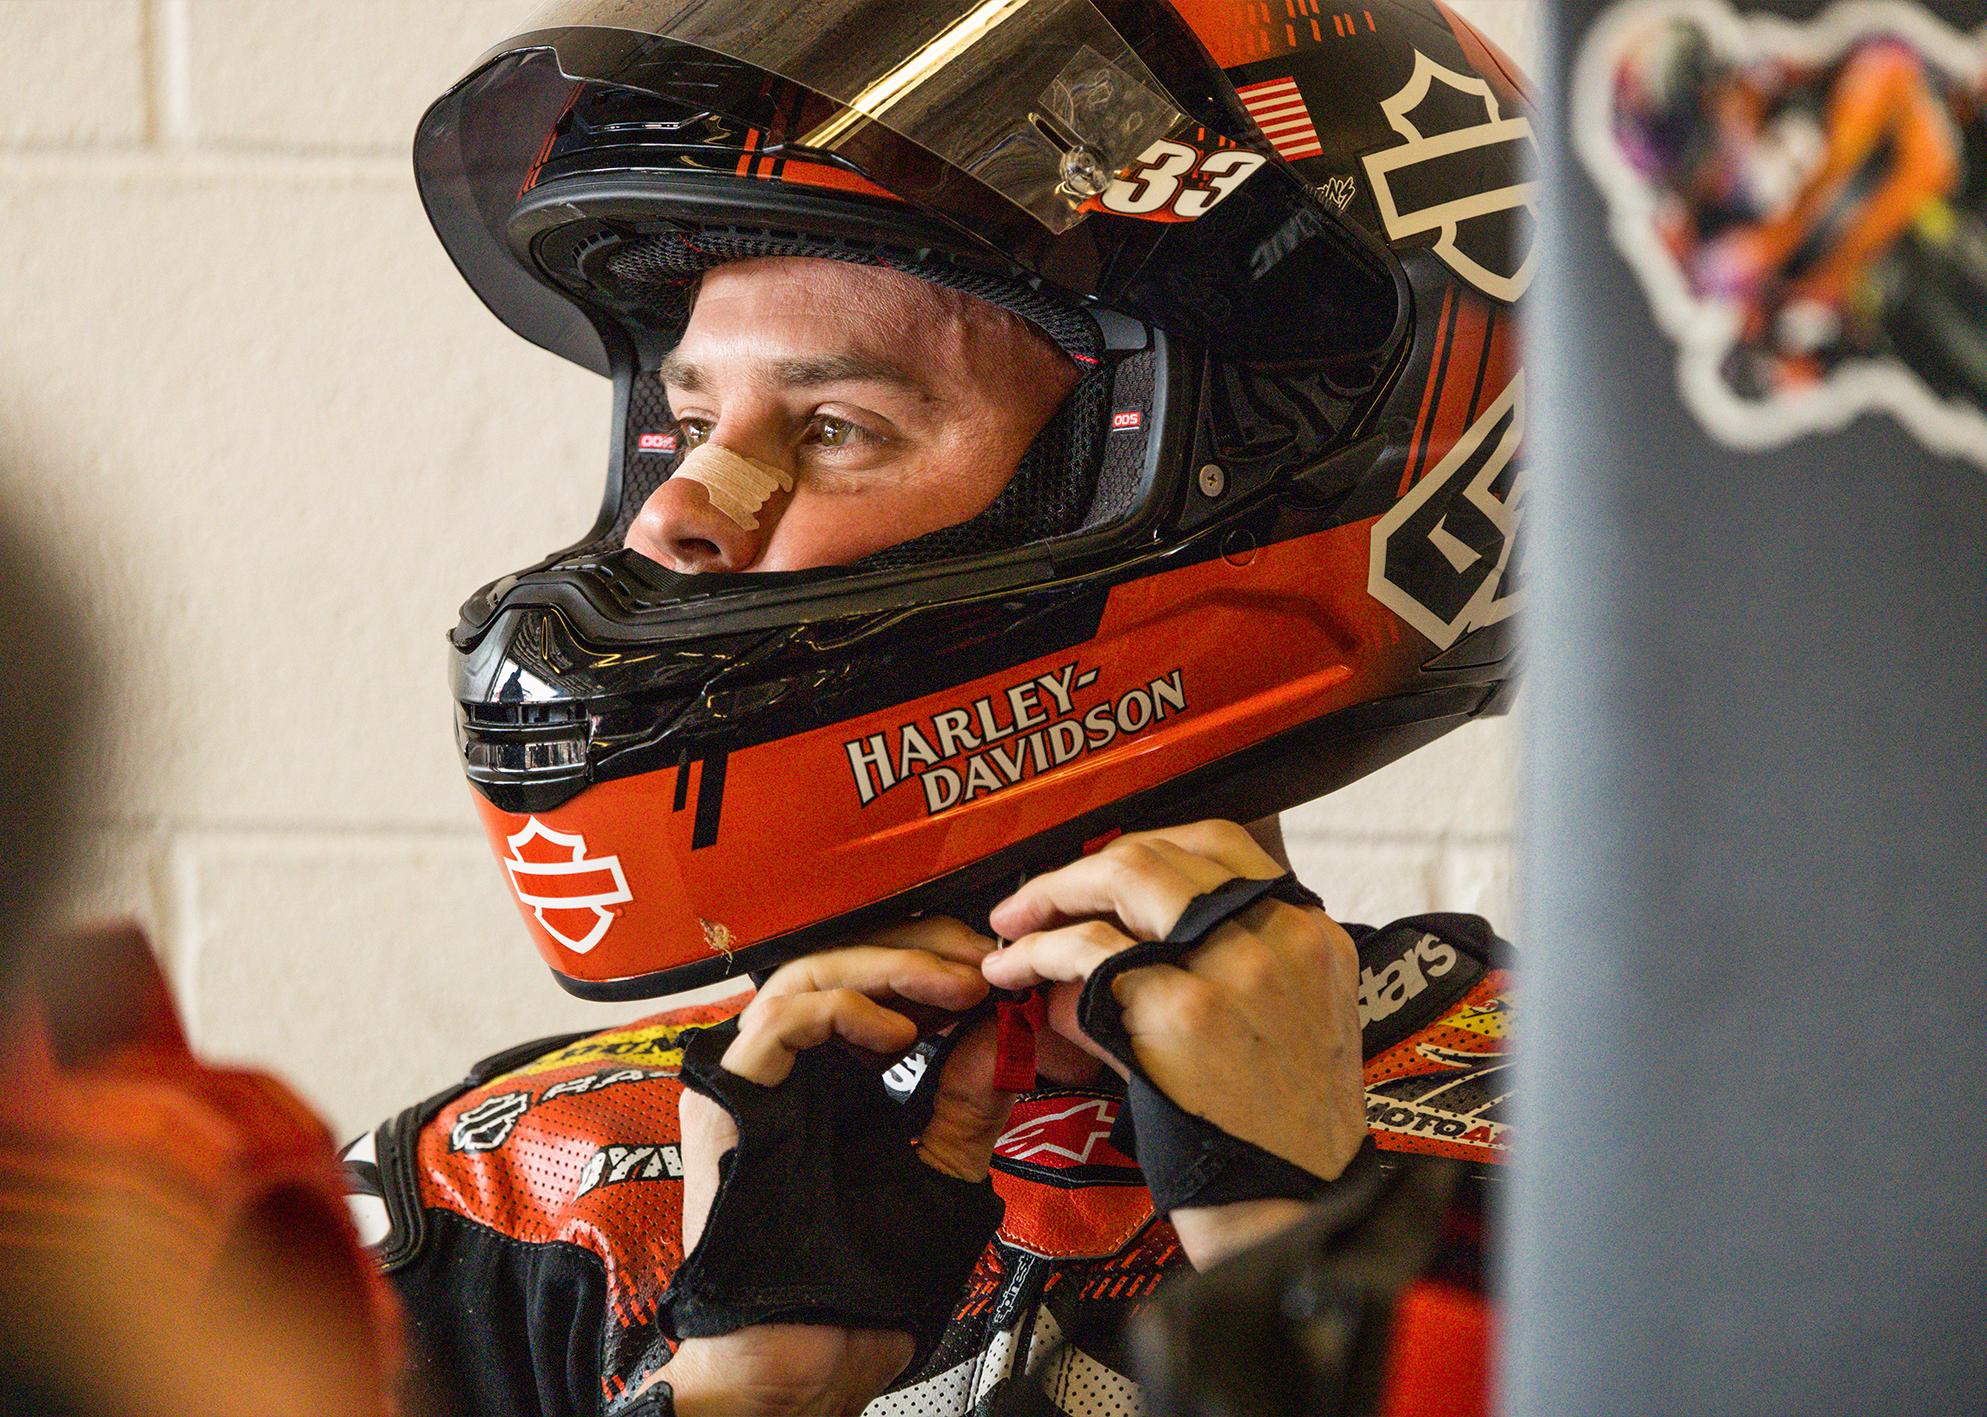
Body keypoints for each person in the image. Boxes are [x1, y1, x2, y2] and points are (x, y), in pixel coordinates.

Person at [355, 2, 1526, 1412]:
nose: (673, 515)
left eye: (837, 426)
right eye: (688, 419)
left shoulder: (1626, 1178)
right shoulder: (517, 1193)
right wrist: (738, 1397)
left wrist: (1302, 1271)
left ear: (1206, 478)